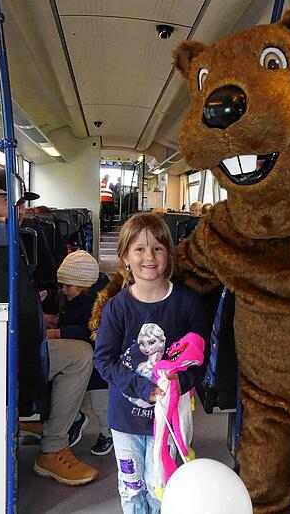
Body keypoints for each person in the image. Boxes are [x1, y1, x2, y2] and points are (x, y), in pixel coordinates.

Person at [0, 170, 98, 485]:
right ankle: (53, 447)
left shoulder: (10, 238)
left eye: (20, 204)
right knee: (81, 354)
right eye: (8, 202)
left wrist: (40, 320)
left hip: (9, 340)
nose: (18, 211)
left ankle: (36, 422)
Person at [93, 213, 208, 513]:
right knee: (132, 489)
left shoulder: (188, 303)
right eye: (139, 249)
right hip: (126, 420)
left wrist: (181, 383)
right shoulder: (116, 308)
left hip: (170, 420)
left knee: (162, 488)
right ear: (125, 257)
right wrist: (144, 389)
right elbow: (104, 359)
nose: (149, 256)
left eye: (158, 248)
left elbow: (199, 358)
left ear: (169, 255)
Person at [41, 250, 113, 456]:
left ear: (84, 287)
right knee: (72, 396)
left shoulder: (98, 304)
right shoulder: (72, 295)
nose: (62, 290)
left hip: (100, 367)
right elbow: (61, 310)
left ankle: (107, 433)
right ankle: (77, 419)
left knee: (101, 404)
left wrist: (57, 332)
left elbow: (89, 331)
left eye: (67, 286)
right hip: (79, 362)